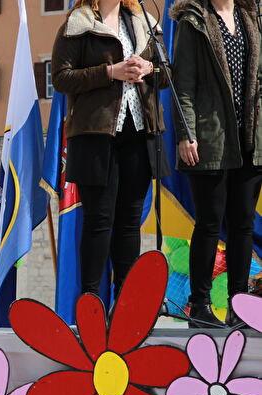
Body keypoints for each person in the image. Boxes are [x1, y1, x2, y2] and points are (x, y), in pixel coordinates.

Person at [51, 0, 170, 300]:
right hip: (95, 136)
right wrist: (111, 72)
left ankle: (126, 304)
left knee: (130, 222)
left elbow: (168, 75)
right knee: (99, 221)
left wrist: (149, 67)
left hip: (139, 132)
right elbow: (61, 78)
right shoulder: (76, 24)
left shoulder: (143, 22)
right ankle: (90, 301)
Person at [171, 0, 262, 327]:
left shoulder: (251, 14)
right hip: (210, 137)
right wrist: (186, 133)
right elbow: (183, 85)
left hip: (250, 139)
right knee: (209, 223)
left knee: (243, 224)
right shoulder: (193, 20)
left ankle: (239, 306)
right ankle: (200, 305)